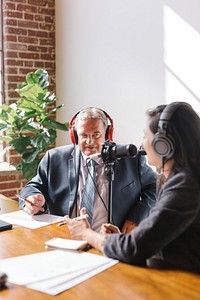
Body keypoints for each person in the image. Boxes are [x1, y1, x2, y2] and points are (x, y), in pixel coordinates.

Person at [65, 102, 200, 274]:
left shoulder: (184, 186)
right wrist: (118, 239)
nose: (142, 144)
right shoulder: (181, 178)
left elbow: (134, 249)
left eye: (145, 136)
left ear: (162, 144)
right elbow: (158, 235)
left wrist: (87, 235)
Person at [19, 107, 156, 232]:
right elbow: (33, 186)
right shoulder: (54, 158)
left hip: (112, 239)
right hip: (66, 235)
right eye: (84, 135)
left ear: (108, 134)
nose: (90, 142)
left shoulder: (130, 159)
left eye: (96, 135)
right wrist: (32, 198)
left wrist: (137, 217)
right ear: (75, 135)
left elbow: (156, 188)